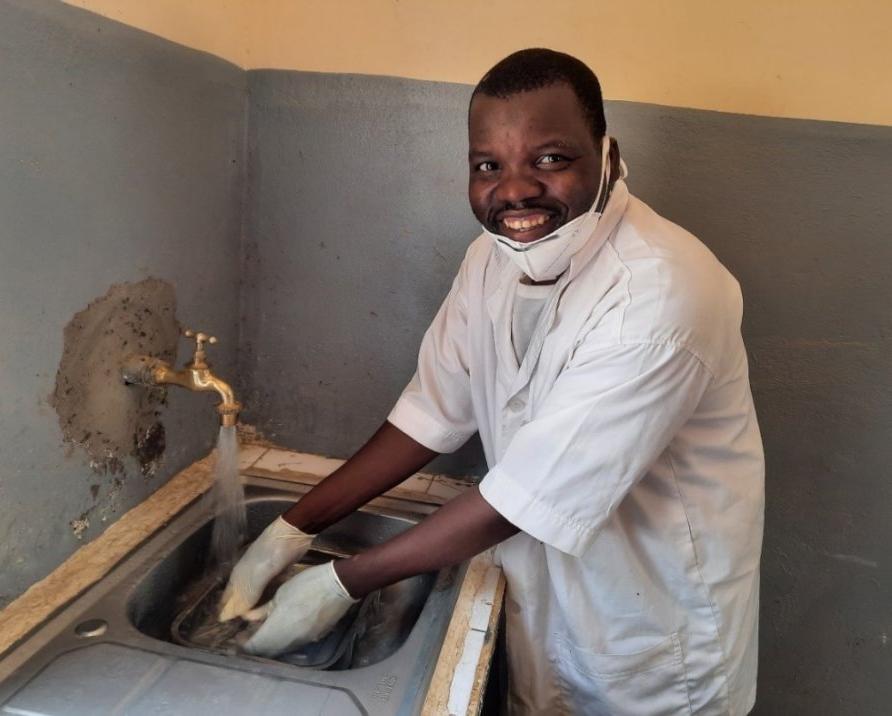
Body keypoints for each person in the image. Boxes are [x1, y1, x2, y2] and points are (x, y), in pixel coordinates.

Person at [219, 48, 765, 715]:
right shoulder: (493, 258)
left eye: (549, 159)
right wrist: (293, 527)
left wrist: (340, 584)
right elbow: (431, 412)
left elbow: (522, 499)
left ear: (609, 155)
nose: (513, 191)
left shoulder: (661, 294)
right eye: (488, 166)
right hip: (548, 612)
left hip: (648, 648)